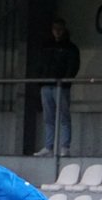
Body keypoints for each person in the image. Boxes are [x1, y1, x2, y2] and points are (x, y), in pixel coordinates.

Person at [34, 18, 80, 157]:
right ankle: (49, 146)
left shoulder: (70, 48)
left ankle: (65, 147)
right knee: (49, 118)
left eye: (60, 29)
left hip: (61, 86)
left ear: (64, 30)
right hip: (46, 85)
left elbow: (73, 66)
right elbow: (40, 64)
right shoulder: (46, 46)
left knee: (64, 117)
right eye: (55, 29)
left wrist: (65, 81)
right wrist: (41, 80)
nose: (57, 32)